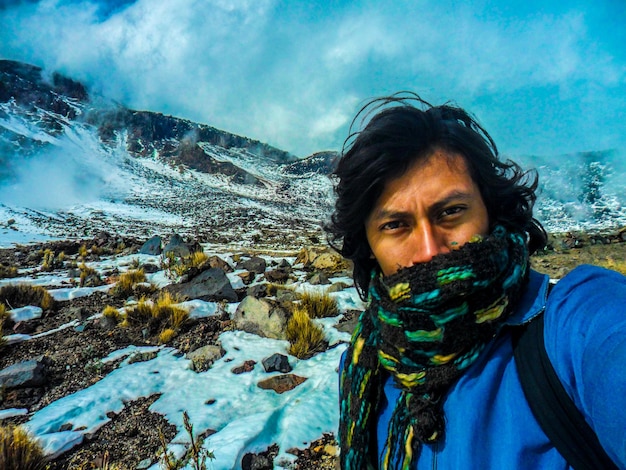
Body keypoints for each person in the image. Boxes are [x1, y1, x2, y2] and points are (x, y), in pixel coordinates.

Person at [325, 92, 626, 469]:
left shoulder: (573, 327)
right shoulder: (365, 366)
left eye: (451, 212)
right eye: (396, 225)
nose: (431, 251)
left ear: (491, 210)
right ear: (369, 246)